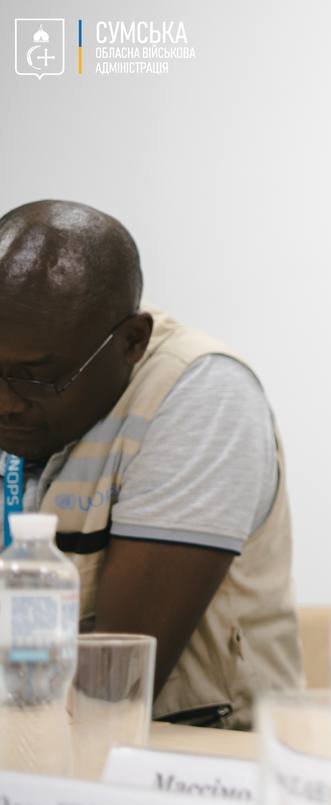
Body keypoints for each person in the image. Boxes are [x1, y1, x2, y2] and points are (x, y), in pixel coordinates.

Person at [0, 200, 303, 729]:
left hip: (195, 758)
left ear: (132, 342)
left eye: (37, 377)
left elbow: (111, 690)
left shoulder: (201, 393)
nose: (6, 402)